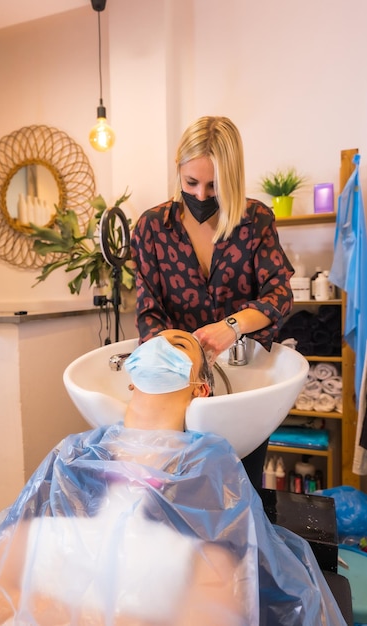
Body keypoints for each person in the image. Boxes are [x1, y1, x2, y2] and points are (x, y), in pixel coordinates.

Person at [0, 331, 345, 625]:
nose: (164, 343)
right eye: (156, 342)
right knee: (11, 542)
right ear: (133, 377)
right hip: (78, 555)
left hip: (158, 568)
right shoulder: (79, 447)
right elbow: (36, 516)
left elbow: (226, 534)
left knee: (218, 569)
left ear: (201, 389)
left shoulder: (208, 453)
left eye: (180, 345)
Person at [130, 115, 295, 488]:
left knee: (242, 494)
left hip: (242, 382)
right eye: (191, 182)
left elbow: (279, 295)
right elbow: (149, 311)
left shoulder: (256, 220)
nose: (201, 196)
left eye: (214, 185)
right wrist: (176, 367)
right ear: (178, 170)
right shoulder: (152, 228)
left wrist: (231, 327)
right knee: (177, 502)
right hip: (177, 387)